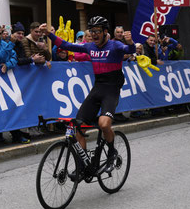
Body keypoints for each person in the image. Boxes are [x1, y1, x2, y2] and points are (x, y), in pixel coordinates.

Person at [41, 16, 136, 175]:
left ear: (106, 32)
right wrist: (49, 34)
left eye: (97, 31)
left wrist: (131, 42)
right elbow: (66, 45)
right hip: (97, 88)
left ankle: (112, 153)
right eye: (92, 31)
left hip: (111, 90)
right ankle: (82, 165)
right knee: (77, 126)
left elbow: (130, 51)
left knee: (104, 124)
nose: (94, 34)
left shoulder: (115, 45)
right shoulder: (90, 46)